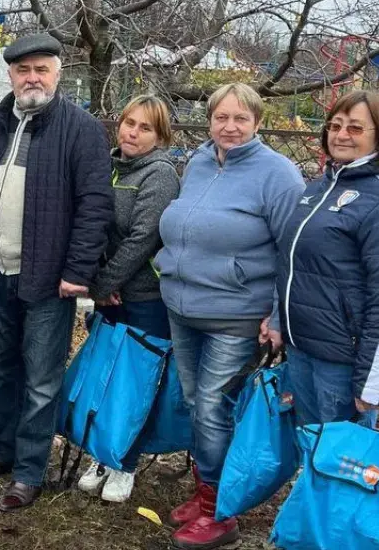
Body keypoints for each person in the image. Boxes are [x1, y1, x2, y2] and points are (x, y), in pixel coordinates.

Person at [0, 33, 113, 511]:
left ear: (57, 74)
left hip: (50, 279)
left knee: (42, 379)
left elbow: (95, 206)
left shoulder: (80, 128)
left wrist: (77, 270)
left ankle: (29, 472)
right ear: (11, 75)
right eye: (23, 69)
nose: (32, 78)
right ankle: (0, 454)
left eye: (41, 70)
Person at [153, 83, 305, 549]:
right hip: (182, 306)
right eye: (222, 117)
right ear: (210, 120)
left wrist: (278, 315)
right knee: (197, 404)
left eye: (241, 118)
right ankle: (205, 495)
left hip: (235, 314)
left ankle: (220, 511)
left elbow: (292, 251)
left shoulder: (278, 174)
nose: (230, 127)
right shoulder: (198, 162)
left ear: (257, 122)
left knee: (212, 410)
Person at [277, 90, 379, 428]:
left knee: (342, 468)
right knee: (312, 452)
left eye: (356, 128)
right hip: (302, 347)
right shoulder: (320, 187)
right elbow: (294, 264)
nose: (341, 135)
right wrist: (278, 321)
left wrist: (373, 382)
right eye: (335, 125)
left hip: (343, 361)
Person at [78, 95, 180, 503]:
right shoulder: (107, 165)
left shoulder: (160, 174)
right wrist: (96, 284)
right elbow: (88, 223)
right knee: (106, 376)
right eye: (128, 123)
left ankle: (126, 460)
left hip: (145, 297)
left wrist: (102, 285)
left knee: (137, 383)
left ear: (160, 136)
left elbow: (143, 238)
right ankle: (102, 451)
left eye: (145, 128)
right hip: (108, 293)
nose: (133, 133)